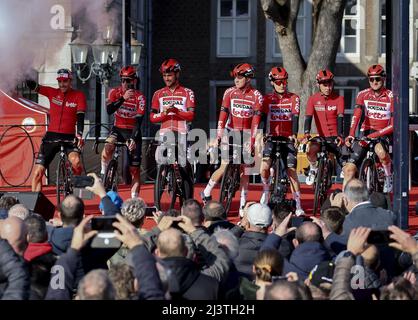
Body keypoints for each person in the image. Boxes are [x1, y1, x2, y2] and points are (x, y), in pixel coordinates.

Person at [201, 63, 263, 217]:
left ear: (248, 78)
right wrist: (219, 136)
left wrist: (252, 141)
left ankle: (242, 205)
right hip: (230, 130)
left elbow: (256, 121)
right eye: (235, 76)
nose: (236, 80)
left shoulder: (257, 96)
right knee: (225, 164)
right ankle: (206, 192)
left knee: (245, 170)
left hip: (247, 133)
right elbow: (222, 116)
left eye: (240, 77)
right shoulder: (229, 92)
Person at [26, 69, 86, 192]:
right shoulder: (52, 92)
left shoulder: (79, 95)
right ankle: (33, 209)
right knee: (37, 173)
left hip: (69, 137)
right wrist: (24, 72)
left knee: (76, 163)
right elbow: (33, 86)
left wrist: (79, 134)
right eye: (60, 81)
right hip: (51, 137)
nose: (62, 84)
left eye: (65, 81)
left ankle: (77, 196)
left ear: (70, 81)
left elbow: (80, 117)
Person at [258, 66, 304, 215]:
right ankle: (266, 190)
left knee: (291, 171)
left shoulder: (294, 98)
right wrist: (262, 134)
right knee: (264, 168)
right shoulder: (267, 99)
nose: (282, 84)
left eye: (284, 81)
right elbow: (263, 118)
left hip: (287, 137)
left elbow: (296, 118)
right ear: (272, 83)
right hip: (272, 137)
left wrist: (295, 135)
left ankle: (298, 205)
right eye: (278, 82)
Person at [343, 64, 394, 192]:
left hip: (383, 132)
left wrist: (374, 136)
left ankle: (388, 175)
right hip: (365, 132)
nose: (374, 82)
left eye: (377, 79)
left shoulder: (391, 96)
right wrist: (350, 134)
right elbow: (356, 116)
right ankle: (345, 202)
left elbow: (393, 125)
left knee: (381, 153)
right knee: (349, 169)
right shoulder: (362, 94)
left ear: (383, 79)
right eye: (371, 79)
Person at [101, 65, 146, 199]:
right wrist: (123, 99)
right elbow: (109, 110)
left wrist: (132, 139)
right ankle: (104, 173)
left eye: (128, 80)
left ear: (134, 81)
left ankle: (133, 198)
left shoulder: (140, 97)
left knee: (134, 170)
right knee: (108, 146)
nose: (125, 83)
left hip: (133, 131)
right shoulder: (114, 92)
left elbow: (139, 121)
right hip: (118, 129)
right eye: (123, 80)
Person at [150, 58, 195, 177]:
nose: (166, 78)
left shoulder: (187, 92)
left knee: (183, 165)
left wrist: (175, 110)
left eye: (169, 75)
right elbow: (152, 117)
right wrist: (163, 114)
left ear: (177, 74)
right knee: (159, 156)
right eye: (164, 75)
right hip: (164, 131)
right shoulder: (158, 94)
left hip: (182, 131)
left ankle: (186, 185)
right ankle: (165, 178)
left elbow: (191, 115)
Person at [303, 69, 345, 185]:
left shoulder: (339, 99)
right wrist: (306, 133)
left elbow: (341, 117)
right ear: (318, 85)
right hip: (321, 137)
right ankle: (313, 169)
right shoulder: (313, 99)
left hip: (335, 137)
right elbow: (308, 117)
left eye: (330, 84)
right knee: (311, 150)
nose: (328, 88)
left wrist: (341, 136)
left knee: (345, 162)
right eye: (324, 85)